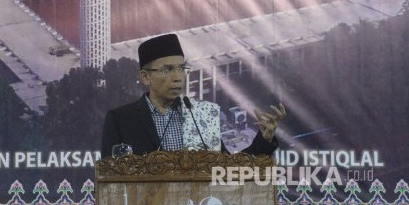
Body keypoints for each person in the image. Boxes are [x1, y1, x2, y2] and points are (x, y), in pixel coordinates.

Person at [101, 34, 285, 158]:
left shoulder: (200, 115)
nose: (177, 77)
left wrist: (264, 139)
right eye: (167, 70)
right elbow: (110, 178)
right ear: (145, 76)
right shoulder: (121, 120)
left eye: (182, 68)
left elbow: (228, 170)